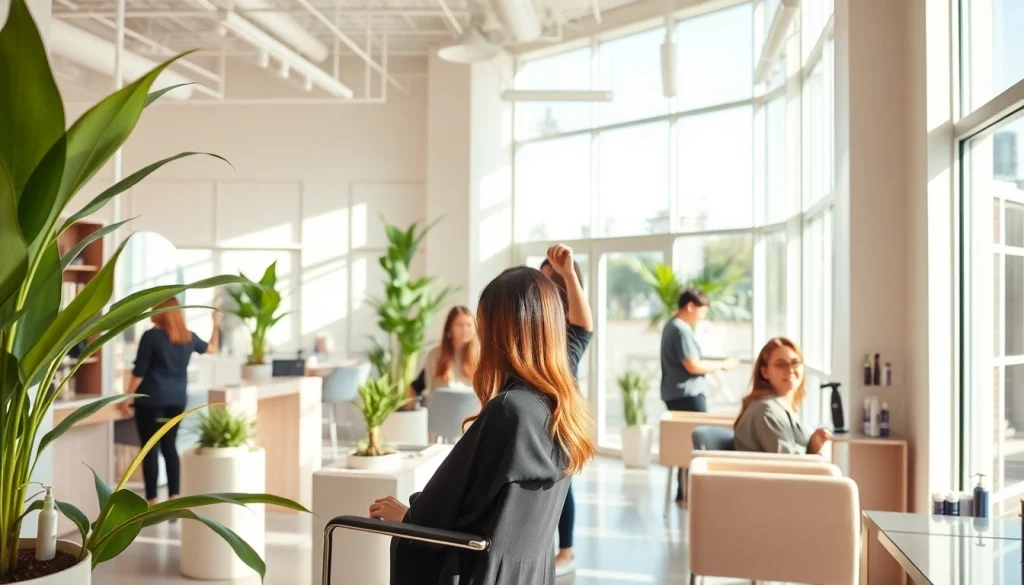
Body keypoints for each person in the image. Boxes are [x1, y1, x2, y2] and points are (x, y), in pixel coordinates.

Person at [367, 261, 597, 585]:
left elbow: (437, 513)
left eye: (482, 325)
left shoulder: (510, 413)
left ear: (501, 333)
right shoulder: (567, 411)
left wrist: (407, 516)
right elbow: (478, 510)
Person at [119, 298, 219, 505]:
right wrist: (215, 323)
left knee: (150, 448)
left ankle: (152, 500)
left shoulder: (151, 337)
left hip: (151, 400)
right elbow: (213, 348)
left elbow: (139, 371)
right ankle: (175, 496)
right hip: (177, 400)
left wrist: (127, 398)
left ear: (161, 312)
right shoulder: (188, 338)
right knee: (169, 447)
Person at [539, 251, 592, 577]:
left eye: (554, 281)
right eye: (544, 279)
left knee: (562, 486)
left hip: (561, 421)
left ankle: (566, 551)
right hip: (534, 422)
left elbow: (585, 324)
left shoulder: (569, 335)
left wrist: (567, 272)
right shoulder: (536, 331)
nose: (549, 286)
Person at [660, 287, 737, 502]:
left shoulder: (670, 326)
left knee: (683, 444)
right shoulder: (681, 330)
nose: (702, 317)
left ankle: (683, 492)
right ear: (690, 306)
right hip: (687, 394)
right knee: (693, 445)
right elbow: (692, 365)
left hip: (674, 393)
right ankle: (689, 493)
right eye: (701, 312)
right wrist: (722, 365)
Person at [733, 337, 832, 455]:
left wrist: (814, 443)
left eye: (795, 362)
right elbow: (789, 463)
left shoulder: (782, 406)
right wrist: (813, 448)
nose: (790, 370)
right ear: (765, 372)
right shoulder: (766, 411)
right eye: (781, 364)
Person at [407, 306, 480, 405]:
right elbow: (420, 388)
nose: (464, 329)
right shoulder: (434, 356)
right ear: (449, 328)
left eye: (469, 325)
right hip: (440, 412)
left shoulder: (481, 357)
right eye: (459, 325)